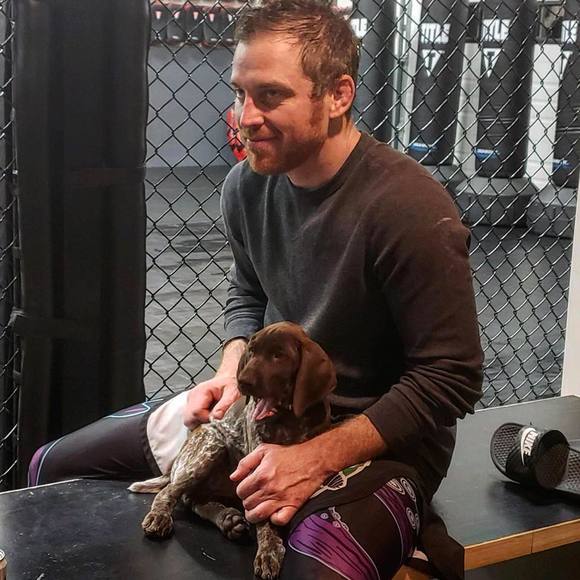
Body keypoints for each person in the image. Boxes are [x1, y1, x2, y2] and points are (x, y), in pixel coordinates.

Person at [28, 1, 483, 577]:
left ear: (338, 96)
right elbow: (248, 292)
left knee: (310, 571)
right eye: (240, 93)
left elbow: (451, 376)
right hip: (261, 413)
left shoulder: (409, 208)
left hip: (372, 444)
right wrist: (230, 372)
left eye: (270, 96)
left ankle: (396, 531)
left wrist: (315, 456)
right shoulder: (246, 186)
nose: (246, 117)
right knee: (51, 469)